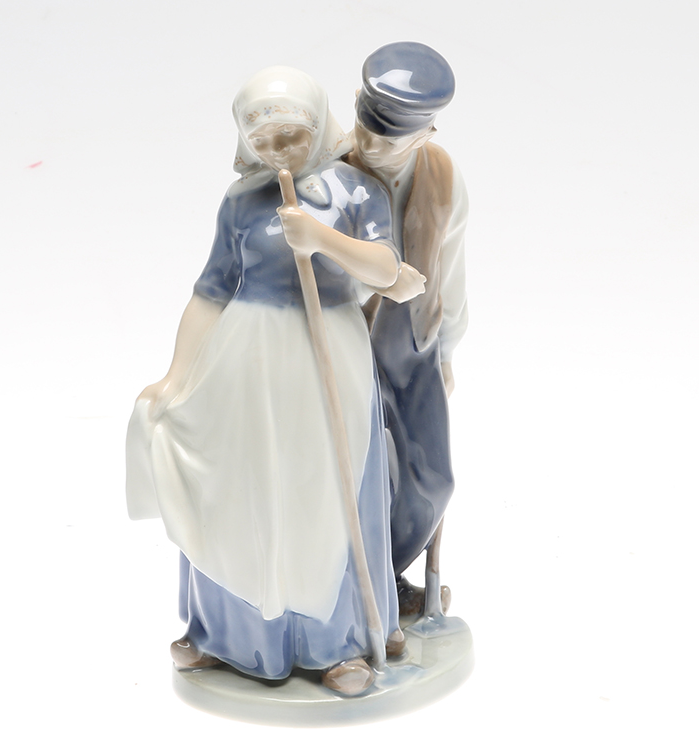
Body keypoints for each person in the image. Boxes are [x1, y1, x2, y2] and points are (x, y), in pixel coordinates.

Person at [126, 66, 423, 695]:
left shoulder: (356, 192)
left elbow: (386, 270)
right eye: (262, 139)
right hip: (244, 356)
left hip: (326, 354)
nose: (277, 150)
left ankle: (336, 643)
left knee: (319, 493)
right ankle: (226, 634)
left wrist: (319, 238)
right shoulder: (241, 201)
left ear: (317, 128)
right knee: (242, 488)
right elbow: (210, 292)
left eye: (291, 136)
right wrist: (176, 376)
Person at [346, 43, 469, 618]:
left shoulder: (442, 177)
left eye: (389, 138)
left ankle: (384, 574)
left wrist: (446, 351)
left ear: (425, 134)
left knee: (430, 478)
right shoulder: (332, 170)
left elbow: (452, 266)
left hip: (411, 338)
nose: (371, 145)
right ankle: (348, 591)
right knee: (358, 470)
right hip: (343, 336)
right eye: (365, 127)